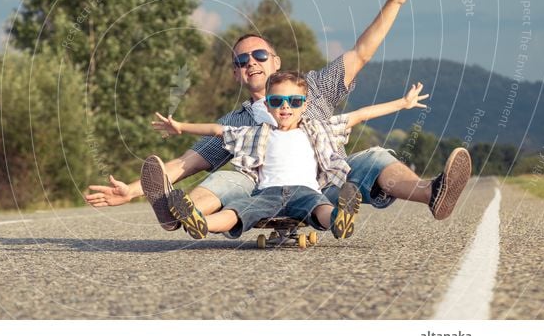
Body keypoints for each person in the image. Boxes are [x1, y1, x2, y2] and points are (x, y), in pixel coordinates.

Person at [85, 0, 472, 230]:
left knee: (374, 157)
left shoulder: (314, 89)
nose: (250, 62)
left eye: (258, 54)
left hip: (328, 182)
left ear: (275, 60)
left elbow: (361, 53)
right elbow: (182, 166)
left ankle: (432, 193)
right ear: (237, 74)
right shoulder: (235, 123)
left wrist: (394, 2)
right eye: (241, 60)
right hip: (262, 189)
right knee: (224, 180)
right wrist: (133, 192)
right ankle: (178, 213)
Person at [148, 72, 430, 240]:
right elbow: (217, 130)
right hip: (268, 192)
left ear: (304, 105)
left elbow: (360, 114)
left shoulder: (317, 129)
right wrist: (181, 127)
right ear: (268, 106)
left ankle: (340, 219)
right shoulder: (257, 133)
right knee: (240, 212)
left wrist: (402, 104)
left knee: (320, 208)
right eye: (277, 101)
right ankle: (199, 222)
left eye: (294, 102)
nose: (285, 107)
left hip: (306, 190)